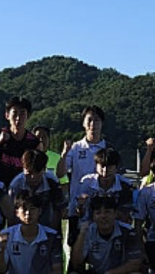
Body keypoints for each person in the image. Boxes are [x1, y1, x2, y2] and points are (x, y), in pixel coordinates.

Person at [57, 105, 109, 248]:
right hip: (77, 208)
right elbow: (60, 173)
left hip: (101, 208)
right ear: (83, 123)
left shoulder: (108, 148)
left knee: (100, 247)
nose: (93, 124)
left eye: (97, 120)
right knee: (75, 247)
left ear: (102, 123)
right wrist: (64, 154)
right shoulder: (75, 148)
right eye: (89, 120)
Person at [70, 147, 136, 226]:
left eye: (109, 167)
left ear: (117, 168)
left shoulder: (125, 185)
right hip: (90, 224)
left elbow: (126, 215)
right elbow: (79, 214)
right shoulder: (86, 182)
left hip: (116, 224)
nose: (105, 171)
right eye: (102, 166)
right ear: (96, 166)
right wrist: (80, 205)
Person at [0, 96, 40, 185]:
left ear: (28, 116)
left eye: (22, 114)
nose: (18, 118)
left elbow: (38, 170)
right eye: (15, 113)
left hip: (21, 188)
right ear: (7, 115)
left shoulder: (34, 142)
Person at [8, 149, 66, 232]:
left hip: (48, 226)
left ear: (44, 169)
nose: (33, 177)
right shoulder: (16, 185)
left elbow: (58, 211)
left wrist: (51, 233)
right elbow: (11, 214)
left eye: (37, 173)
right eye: (29, 173)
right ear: (23, 169)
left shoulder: (52, 182)